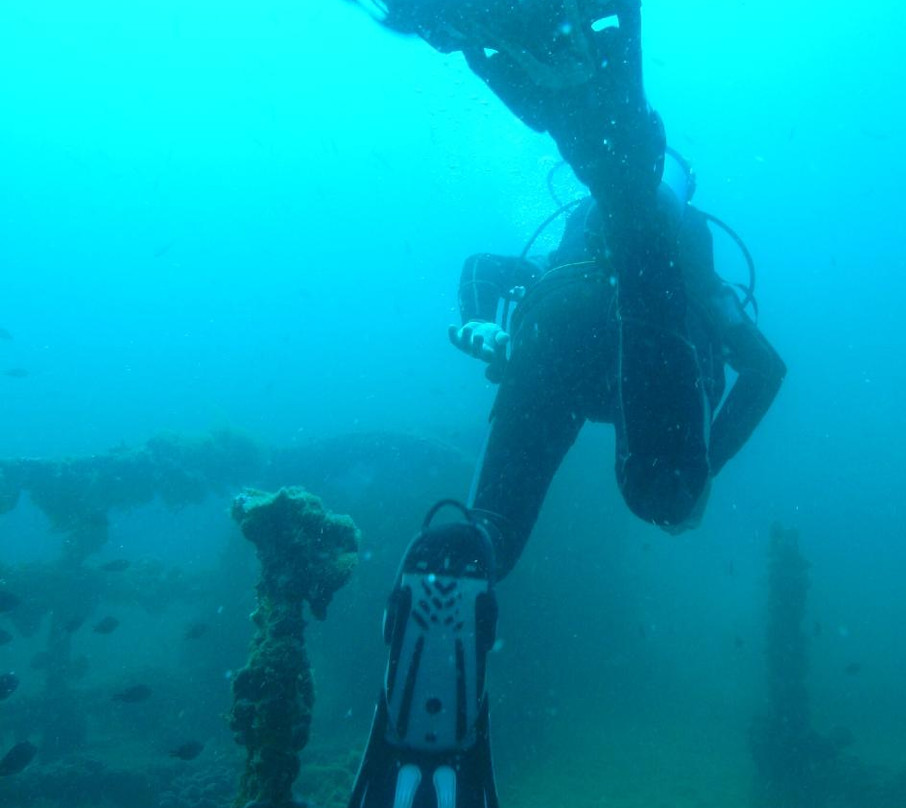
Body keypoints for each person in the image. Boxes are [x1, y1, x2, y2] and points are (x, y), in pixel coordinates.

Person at [347, 3, 784, 807]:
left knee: (493, 535)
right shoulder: (693, 248)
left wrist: (487, 322)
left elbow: (486, 266)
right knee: (665, 496)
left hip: (553, 324)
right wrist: (707, 466)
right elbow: (767, 370)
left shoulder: (559, 246)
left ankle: (460, 549)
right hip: (642, 316)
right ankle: (623, 183)